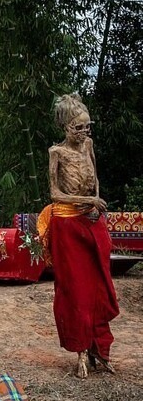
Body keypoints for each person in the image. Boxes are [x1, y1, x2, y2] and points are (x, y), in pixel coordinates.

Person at [38, 94, 119, 378]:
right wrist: (85, 203)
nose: (84, 132)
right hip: (67, 223)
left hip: (92, 218)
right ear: (65, 127)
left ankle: (100, 348)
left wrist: (95, 200)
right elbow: (55, 193)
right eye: (78, 127)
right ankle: (81, 350)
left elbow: (94, 176)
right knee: (76, 288)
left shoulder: (88, 145)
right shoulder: (56, 153)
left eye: (87, 126)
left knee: (100, 283)